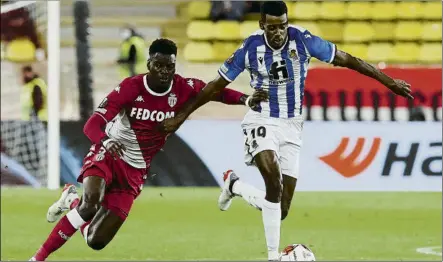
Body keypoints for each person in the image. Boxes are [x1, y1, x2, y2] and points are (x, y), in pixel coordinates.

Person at [159, 2, 413, 260]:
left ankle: (234, 186)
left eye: (282, 26)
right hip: (262, 118)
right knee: (272, 178)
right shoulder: (249, 48)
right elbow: (214, 86)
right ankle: (273, 256)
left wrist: (389, 82)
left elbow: (349, 60)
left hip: (293, 126)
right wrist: (181, 116)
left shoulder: (302, 40)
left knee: (280, 209)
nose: (278, 33)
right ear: (262, 25)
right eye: (272, 28)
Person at [29, 38, 268, 261]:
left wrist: (245, 100)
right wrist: (104, 141)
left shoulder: (183, 87)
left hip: (135, 170)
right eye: (159, 65)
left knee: (95, 240)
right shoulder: (130, 87)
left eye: (169, 66)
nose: (164, 72)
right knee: (91, 203)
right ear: (149, 63)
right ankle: (36, 258)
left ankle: (71, 201)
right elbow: (93, 124)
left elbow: (216, 92)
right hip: (109, 154)